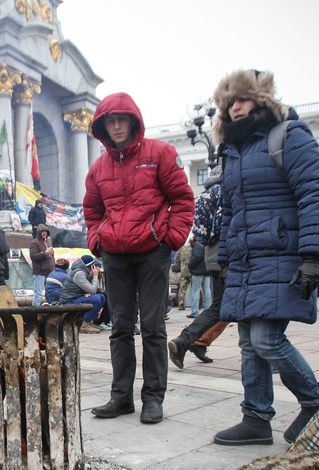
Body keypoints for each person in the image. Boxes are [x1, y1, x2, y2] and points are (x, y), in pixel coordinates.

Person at [210, 70, 319, 446]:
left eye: (242, 99)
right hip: (248, 260)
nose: (235, 107)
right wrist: (225, 257)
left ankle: (315, 401)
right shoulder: (232, 151)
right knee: (248, 342)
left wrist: (313, 254)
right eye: (228, 103)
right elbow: (230, 210)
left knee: (265, 339)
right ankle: (256, 418)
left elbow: (314, 192)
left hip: (282, 255)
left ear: (261, 100)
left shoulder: (290, 136)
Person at [84, 92, 194, 425]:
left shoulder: (160, 153)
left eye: (121, 119)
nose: (116, 126)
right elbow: (91, 209)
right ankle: (121, 397)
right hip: (115, 253)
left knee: (152, 326)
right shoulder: (98, 167)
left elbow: (183, 199)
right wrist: (97, 239)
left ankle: (153, 398)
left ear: (133, 121)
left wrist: (170, 239)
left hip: (151, 251)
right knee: (119, 327)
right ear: (103, 126)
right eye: (109, 121)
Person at [168, 166, 227, 368]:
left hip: (213, 256)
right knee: (226, 305)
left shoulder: (205, 195)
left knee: (221, 305)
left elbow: (200, 234)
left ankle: (194, 342)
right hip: (230, 254)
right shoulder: (228, 191)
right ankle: (265, 353)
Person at [59, 255, 107, 334]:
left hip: (76, 297)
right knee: (96, 299)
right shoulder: (79, 273)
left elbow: (90, 289)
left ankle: (90, 322)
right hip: (69, 301)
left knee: (102, 297)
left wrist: (87, 292)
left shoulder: (84, 271)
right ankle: (84, 325)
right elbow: (92, 290)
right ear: (90, 266)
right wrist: (95, 276)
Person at [30, 224, 55, 306]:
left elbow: (52, 255)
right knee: (38, 294)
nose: (44, 233)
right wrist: (45, 253)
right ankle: (34, 312)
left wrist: (53, 265)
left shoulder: (48, 241)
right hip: (39, 272)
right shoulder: (34, 243)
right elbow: (33, 256)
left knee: (50, 292)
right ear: (39, 233)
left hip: (49, 271)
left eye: (46, 232)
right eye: (42, 232)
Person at [187, 241, 211, 319]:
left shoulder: (198, 243)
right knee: (207, 290)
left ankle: (195, 311)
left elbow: (197, 256)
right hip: (207, 269)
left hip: (197, 270)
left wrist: (190, 265)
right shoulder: (208, 242)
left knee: (196, 290)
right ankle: (207, 310)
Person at [172, 239, 194, 311]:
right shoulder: (195, 248)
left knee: (182, 289)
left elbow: (177, 260)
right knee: (196, 289)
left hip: (184, 271)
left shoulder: (182, 248)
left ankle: (181, 304)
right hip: (193, 271)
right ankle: (199, 303)